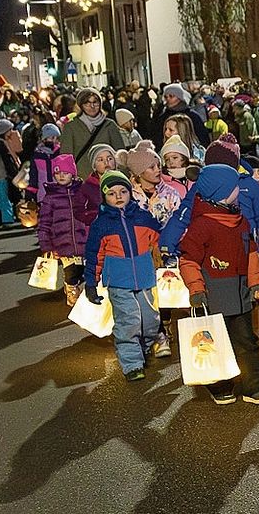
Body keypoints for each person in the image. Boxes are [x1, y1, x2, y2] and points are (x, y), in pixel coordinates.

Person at [179, 164, 259, 407]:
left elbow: (251, 254)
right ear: (221, 192)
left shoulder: (240, 221)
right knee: (215, 344)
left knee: (247, 342)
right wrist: (196, 289)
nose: (239, 190)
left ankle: (254, 386)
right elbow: (188, 261)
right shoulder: (201, 226)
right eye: (234, 187)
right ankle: (220, 387)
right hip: (214, 297)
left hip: (240, 296)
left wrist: (256, 283)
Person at [81, 171, 163, 382]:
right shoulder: (101, 225)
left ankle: (143, 348)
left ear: (130, 193)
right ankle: (132, 363)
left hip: (145, 278)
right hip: (118, 281)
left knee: (150, 321)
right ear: (104, 197)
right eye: (112, 193)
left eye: (123, 191)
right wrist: (91, 282)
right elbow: (94, 255)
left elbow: (160, 239)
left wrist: (169, 252)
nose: (118, 196)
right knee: (129, 321)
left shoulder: (143, 217)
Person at [36, 154, 96, 299]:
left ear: (73, 174)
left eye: (65, 172)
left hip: (84, 241)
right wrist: (46, 246)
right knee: (71, 273)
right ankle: (71, 290)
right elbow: (44, 223)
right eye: (58, 173)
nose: (61, 176)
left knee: (87, 272)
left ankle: (84, 294)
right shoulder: (50, 198)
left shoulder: (82, 192)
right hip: (63, 244)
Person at [59, 91, 119, 162]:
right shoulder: (70, 127)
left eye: (95, 102)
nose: (92, 106)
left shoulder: (110, 125)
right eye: (87, 103)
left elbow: (120, 155)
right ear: (81, 105)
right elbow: (65, 157)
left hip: (107, 169)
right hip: (81, 169)